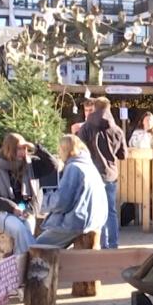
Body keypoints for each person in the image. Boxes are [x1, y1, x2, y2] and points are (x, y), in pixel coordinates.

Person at [0, 133, 62, 256]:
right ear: (10, 149)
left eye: (25, 148)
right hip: (2, 211)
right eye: (19, 148)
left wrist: (36, 147)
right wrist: (12, 208)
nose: (23, 152)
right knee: (19, 229)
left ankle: (21, 266)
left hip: (26, 209)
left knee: (27, 228)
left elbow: (53, 165)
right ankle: (35, 259)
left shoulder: (30, 164)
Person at [34, 134, 108, 248]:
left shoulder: (74, 167)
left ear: (64, 150)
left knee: (36, 247)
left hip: (78, 221)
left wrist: (40, 203)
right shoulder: (88, 164)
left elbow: (62, 201)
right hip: (95, 219)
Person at [77, 97, 125, 249]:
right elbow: (123, 154)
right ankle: (113, 244)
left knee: (95, 210)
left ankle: (99, 244)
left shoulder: (86, 128)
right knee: (111, 210)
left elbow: (80, 151)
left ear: (95, 108)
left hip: (92, 173)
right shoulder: (117, 129)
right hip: (111, 173)